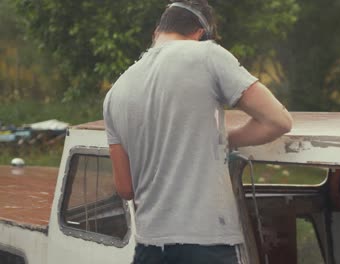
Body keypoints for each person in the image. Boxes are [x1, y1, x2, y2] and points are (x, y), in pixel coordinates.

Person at [103, 0, 293, 263]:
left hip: (150, 248)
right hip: (208, 243)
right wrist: (223, 139)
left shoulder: (116, 92)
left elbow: (125, 188)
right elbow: (278, 120)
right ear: (200, 33)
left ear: (156, 32)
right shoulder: (208, 55)